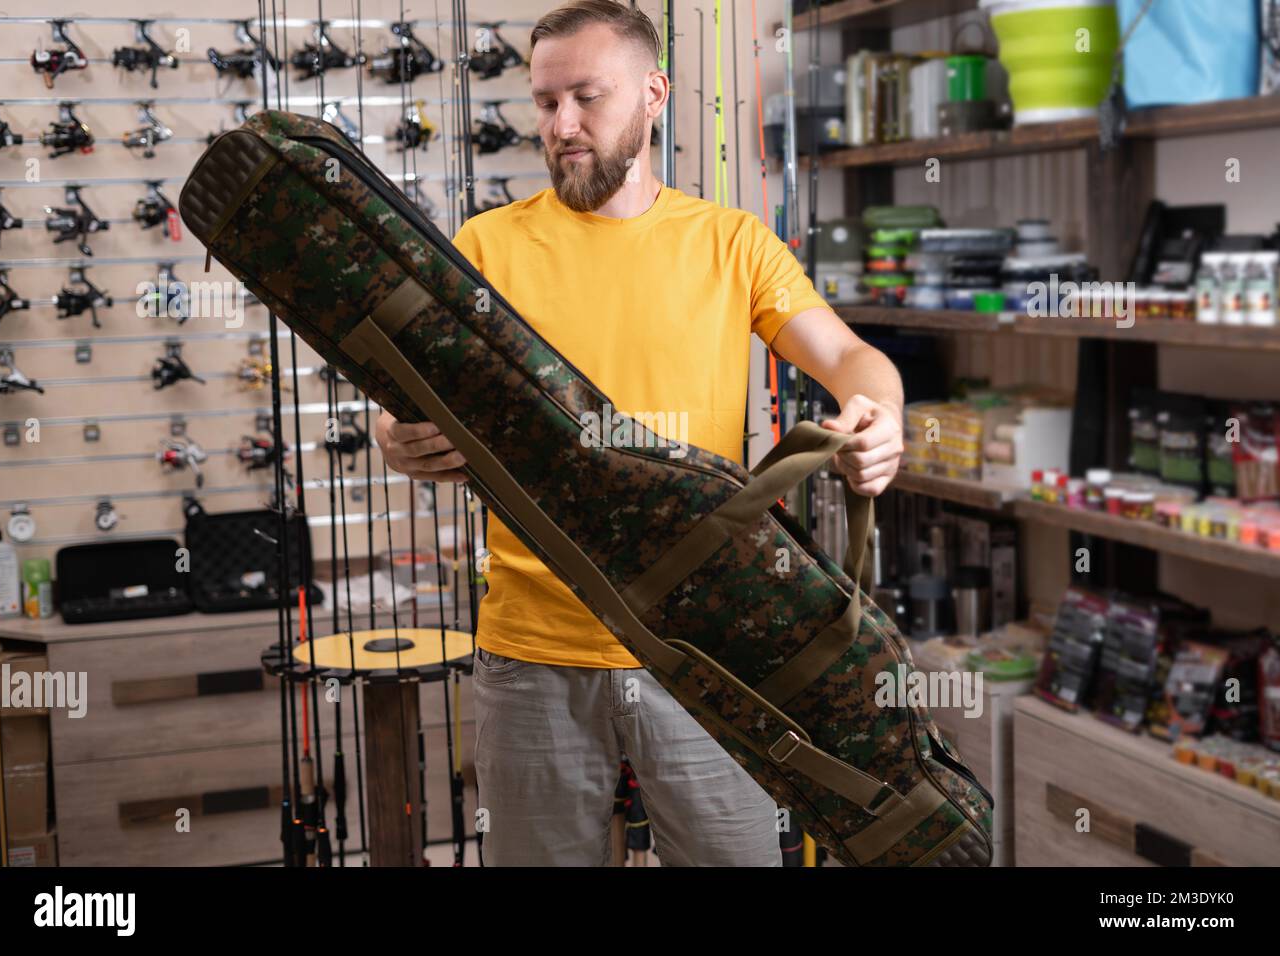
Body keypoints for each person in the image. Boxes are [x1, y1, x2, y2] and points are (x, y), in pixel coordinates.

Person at [376, 0, 904, 866]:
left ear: (654, 93)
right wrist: (399, 438)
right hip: (531, 652)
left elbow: (848, 356)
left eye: (588, 97)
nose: (563, 126)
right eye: (546, 103)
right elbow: (403, 399)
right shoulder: (484, 249)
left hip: (708, 652)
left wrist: (881, 415)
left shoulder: (732, 243)